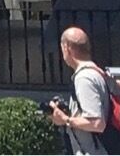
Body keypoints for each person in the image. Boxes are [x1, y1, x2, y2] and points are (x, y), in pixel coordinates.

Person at [45, 26, 111, 155]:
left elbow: (97, 123)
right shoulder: (96, 72)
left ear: (67, 48)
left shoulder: (84, 78)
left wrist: (65, 119)